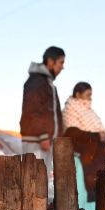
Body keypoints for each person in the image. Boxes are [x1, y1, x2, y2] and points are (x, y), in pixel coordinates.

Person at [20, 46, 65, 199]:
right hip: (36, 140)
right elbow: (33, 109)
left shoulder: (48, 83)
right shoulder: (36, 82)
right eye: (60, 63)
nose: (62, 67)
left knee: (43, 179)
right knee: (33, 177)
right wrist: (43, 135)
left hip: (46, 139)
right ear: (50, 61)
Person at [62, 82, 105, 210]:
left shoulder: (90, 111)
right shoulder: (70, 109)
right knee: (82, 193)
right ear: (78, 94)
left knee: (97, 193)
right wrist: (95, 135)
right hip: (83, 157)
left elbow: (99, 130)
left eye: (91, 95)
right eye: (87, 95)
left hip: (95, 157)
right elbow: (71, 132)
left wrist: (103, 137)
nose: (90, 98)